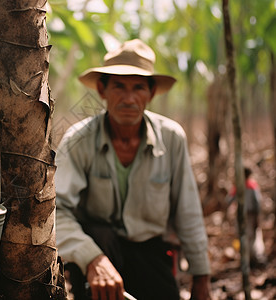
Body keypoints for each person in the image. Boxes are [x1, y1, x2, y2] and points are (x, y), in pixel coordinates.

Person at [55, 39, 212, 300]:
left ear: (151, 94)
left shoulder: (172, 138)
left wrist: (201, 277)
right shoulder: (78, 139)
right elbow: (56, 212)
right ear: (102, 89)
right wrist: (91, 258)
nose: (128, 98)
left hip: (150, 251)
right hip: (96, 249)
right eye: (119, 86)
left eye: (138, 87)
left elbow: (188, 212)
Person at [226, 167, 266, 267]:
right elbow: (257, 203)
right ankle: (253, 259)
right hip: (249, 215)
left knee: (245, 236)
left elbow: (228, 200)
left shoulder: (239, 186)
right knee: (252, 236)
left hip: (243, 215)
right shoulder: (252, 185)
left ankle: (249, 259)